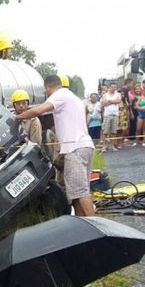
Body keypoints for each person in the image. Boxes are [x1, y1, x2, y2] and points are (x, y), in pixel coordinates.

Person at [15, 75, 95, 216]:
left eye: (45, 91)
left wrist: (17, 117)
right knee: (75, 193)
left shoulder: (60, 95)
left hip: (75, 149)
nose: (46, 94)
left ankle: (97, 227)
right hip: (84, 146)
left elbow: (39, 111)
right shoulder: (74, 98)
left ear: (48, 88)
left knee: (81, 192)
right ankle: (82, 225)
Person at [100, 84, 122, 153]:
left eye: (115, 87)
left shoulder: (118, 94)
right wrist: (113, 102)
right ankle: (104, 146)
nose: (113, 88)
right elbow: (103, 104)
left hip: (115, 114)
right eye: (112, 87)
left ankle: (113, 146)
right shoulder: (105, 95)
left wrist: (109, 101)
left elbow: (118, 101)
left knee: (114, 131)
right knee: (105, 131)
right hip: (107, 115)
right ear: (109, 88)